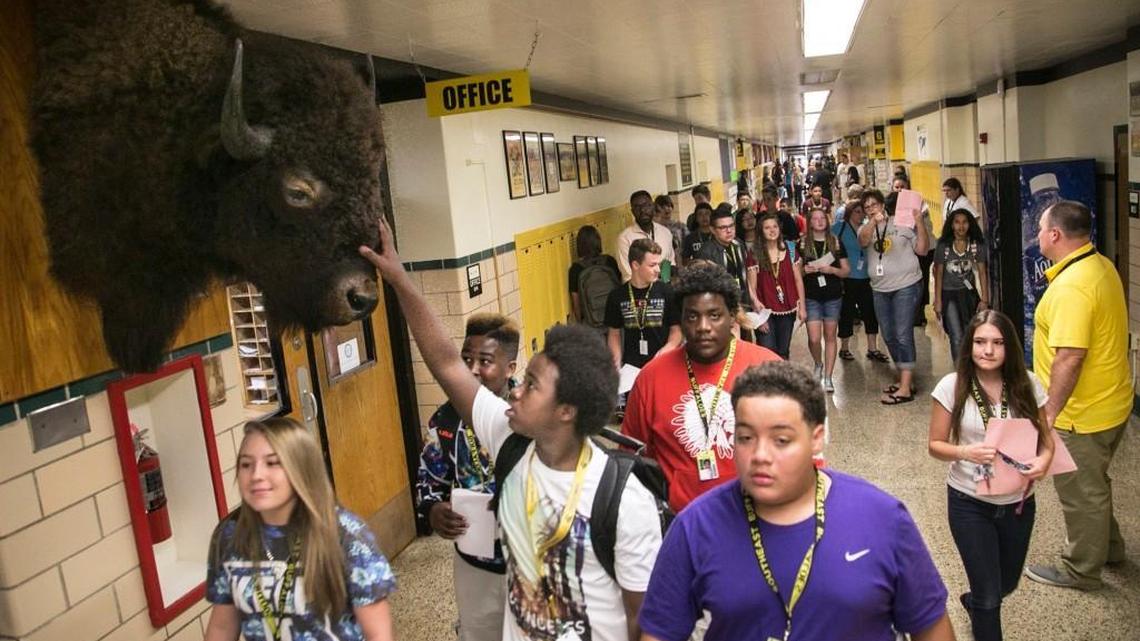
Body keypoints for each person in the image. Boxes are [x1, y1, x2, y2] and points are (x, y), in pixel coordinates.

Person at [361, 219, 662, 641]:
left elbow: (645, 620)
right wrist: (398, 277)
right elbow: (447, 363)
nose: (517, 392)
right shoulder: (510, 441)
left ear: (566, 410)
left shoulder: (623, 500)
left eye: (533, 386)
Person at [639, 361, 955, 641]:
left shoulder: (882, 518)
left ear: (817, 438)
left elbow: (931, 628)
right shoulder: (696, 527)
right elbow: (659, 632)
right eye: (746, 438)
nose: (760, 456)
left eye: (781, 440)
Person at [204, 417, 396, 641]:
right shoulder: (229, 535)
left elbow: (379, 635)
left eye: (273, 463)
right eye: (246, 464)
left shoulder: (346, 535)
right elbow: (222, 628)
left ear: (302, 469)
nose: (256, 475)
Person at [1024, 200, 1131, 591]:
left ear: (1055, 235)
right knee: (1095, 484)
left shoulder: (1073, 286)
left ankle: (1081, 570)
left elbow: (1070, 356)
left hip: (1082, 415)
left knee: (1081, 494)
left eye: (1040, 229)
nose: (1037, 235)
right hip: (1112, 401)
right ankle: (1110, 549)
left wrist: (1049, 414)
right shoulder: (1099, 266)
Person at [928, 311, 1054, 641]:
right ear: (969, 346)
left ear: (1009, 347)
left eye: (997, 343)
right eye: (980, 342)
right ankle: (980, 603)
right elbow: (935, 445)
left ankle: (974, 601)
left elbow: (1047, 440)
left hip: (1018, 503)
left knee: (1006, 583)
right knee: (989, 597)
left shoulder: (1027, 383)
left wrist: (1044, 461)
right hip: (969, 502)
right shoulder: (952, 386)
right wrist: (964, 452)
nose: (988, 350)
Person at [622, 263, 780, 512]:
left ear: (732, 317)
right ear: (681, 320)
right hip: (680, 522)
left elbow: (802, 454)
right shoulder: (651, 378)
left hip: (755, 519)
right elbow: (630, 457)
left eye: (714, 315)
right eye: (692, 316)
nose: (703, 326)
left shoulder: (769, 369)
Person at [415, 314, 519, 641]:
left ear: (511, 368)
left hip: (531, 561)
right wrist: (434, 512)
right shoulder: (445, 420)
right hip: (475, 560)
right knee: (479, 632)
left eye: (485, 361)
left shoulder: (529, 413)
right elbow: (427, 485)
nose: (472, 369)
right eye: (466, 359)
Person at [859, 189, 928, 405]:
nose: (871, 209)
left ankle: (906, 387)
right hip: (880, 288)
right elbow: (863, 241)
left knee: (902, 332)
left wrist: (919, 223)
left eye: (874, 205)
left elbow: (923, 250)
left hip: (907, 285)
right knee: (888, 334)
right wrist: (872, 222)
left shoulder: (903, 224)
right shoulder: (865, 228)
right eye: (867, 207)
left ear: (883, 205)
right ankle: (904, 378)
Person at [605, 239, 681, 369]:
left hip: (663, 362)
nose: (658, 270)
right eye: (652, 265)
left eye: (658, 264)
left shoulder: (667, 291)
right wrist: (616, 363)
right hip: (632, 367)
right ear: (635, 265)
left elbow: (677, 330)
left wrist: (666, 350)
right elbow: (614, 333)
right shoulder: (617, 296)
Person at [800, 206, 849, 392]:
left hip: (832, 297)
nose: (819, 221)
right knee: (814, 338)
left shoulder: (835, 242)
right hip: (811, 296)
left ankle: (828, 377)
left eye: (822, 218)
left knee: (830, 336)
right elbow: (795, 273)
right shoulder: (803, 243)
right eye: (815, 218)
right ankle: (818, 363)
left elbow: (846, 271)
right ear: (809, 222)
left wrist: (832, 270)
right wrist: (805, 270)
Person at [833, 197, 888, 363]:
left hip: (866, 277)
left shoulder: (868, 228)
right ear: (849, 213)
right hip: (848, 278)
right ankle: (844, 347)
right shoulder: (839, 228)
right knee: (847, 314)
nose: (860, 215)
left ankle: (872, 348)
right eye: (857, 212)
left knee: (870, 313)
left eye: (862, 212)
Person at [933, 209, 990, 362]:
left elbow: (982, 272)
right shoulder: (943, 245)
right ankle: (960, 373)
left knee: (970, 333)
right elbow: (938, 273)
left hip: (968, 294)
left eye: (965, 222)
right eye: (957, 222)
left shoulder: (975, 245)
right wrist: (937, 300)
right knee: (956, 335)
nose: (961, 226)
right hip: (948, 294)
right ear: (951, 225)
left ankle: (971, 367)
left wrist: (984, 299)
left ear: (970, 224)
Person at [750, 213, 805, 359]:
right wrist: (758, 316)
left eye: (774, 227)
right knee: (767, 350)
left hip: (787, 308)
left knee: (783, 350)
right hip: (764, 310)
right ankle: (768, 381)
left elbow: (798, 280)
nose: (772, 230)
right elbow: (751, 287)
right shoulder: (755, 254)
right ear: (761, 231)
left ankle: (781, 380)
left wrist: (803, 308)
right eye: (767, 228)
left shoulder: (790, 249)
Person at [892, 176, 934, 326]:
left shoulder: (919, 204)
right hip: (903, 251)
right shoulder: (891, 206)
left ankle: (920, 312)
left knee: (920, 281)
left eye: (901, 186)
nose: (899, 190)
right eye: (896, 187)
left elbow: (925, 227)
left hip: (922, 249)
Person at [698, 204, 755, 316]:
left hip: (743, 301)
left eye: (731, 226)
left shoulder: (739, 244)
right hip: (722, 306)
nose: (729, 231)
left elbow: (746, 274)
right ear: (712, 230)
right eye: (723, 228)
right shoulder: (706, 252)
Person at [617, 190, 677, 283]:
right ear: (632, 212)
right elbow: (628, 275)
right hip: (639, 293)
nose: (642, 210)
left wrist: (663, 286)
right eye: (637, 207)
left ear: (653, 207)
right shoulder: (625, 239)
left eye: (646, 205)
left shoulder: (665, 233)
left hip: (663, 289)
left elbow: (668, 265)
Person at [568, 225, 620, 329]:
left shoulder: (575, 269)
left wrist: (580, 322)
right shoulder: (610, 261)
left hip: (591, 323)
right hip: (614, 319)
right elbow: (619, 288)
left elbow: (576, 303)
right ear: (598, 241)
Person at [654, 194, 686, 262]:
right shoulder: (655, 228)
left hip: (679, 260)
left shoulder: (680, 226)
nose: (667, 209)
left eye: (669, 206)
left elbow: (688, 243)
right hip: (663, 263)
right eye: (663, 207)